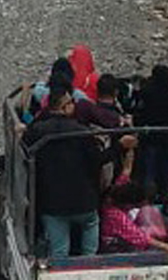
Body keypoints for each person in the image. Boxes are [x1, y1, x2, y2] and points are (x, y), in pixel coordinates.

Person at [24, 86, 106, 259]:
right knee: (90, 233)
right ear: (65, 106)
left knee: (59, 251)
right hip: (84, 201)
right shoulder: (82, 132)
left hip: (52, 203)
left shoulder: (37, 131)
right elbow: (96, 161)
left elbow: (24, 155)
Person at [101, 148, 168, 255]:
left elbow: (127, 169)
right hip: (114, 245)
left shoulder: (118, 189)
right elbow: (139, 237)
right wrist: (167, 247)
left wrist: (130, 148)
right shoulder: (116, 216)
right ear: (128, 204)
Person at [135, 65, 168, 195]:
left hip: (150, 136)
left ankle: (147, 195)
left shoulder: (146, 91)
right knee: (167, 168)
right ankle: (165, 194)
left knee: (149, 170)